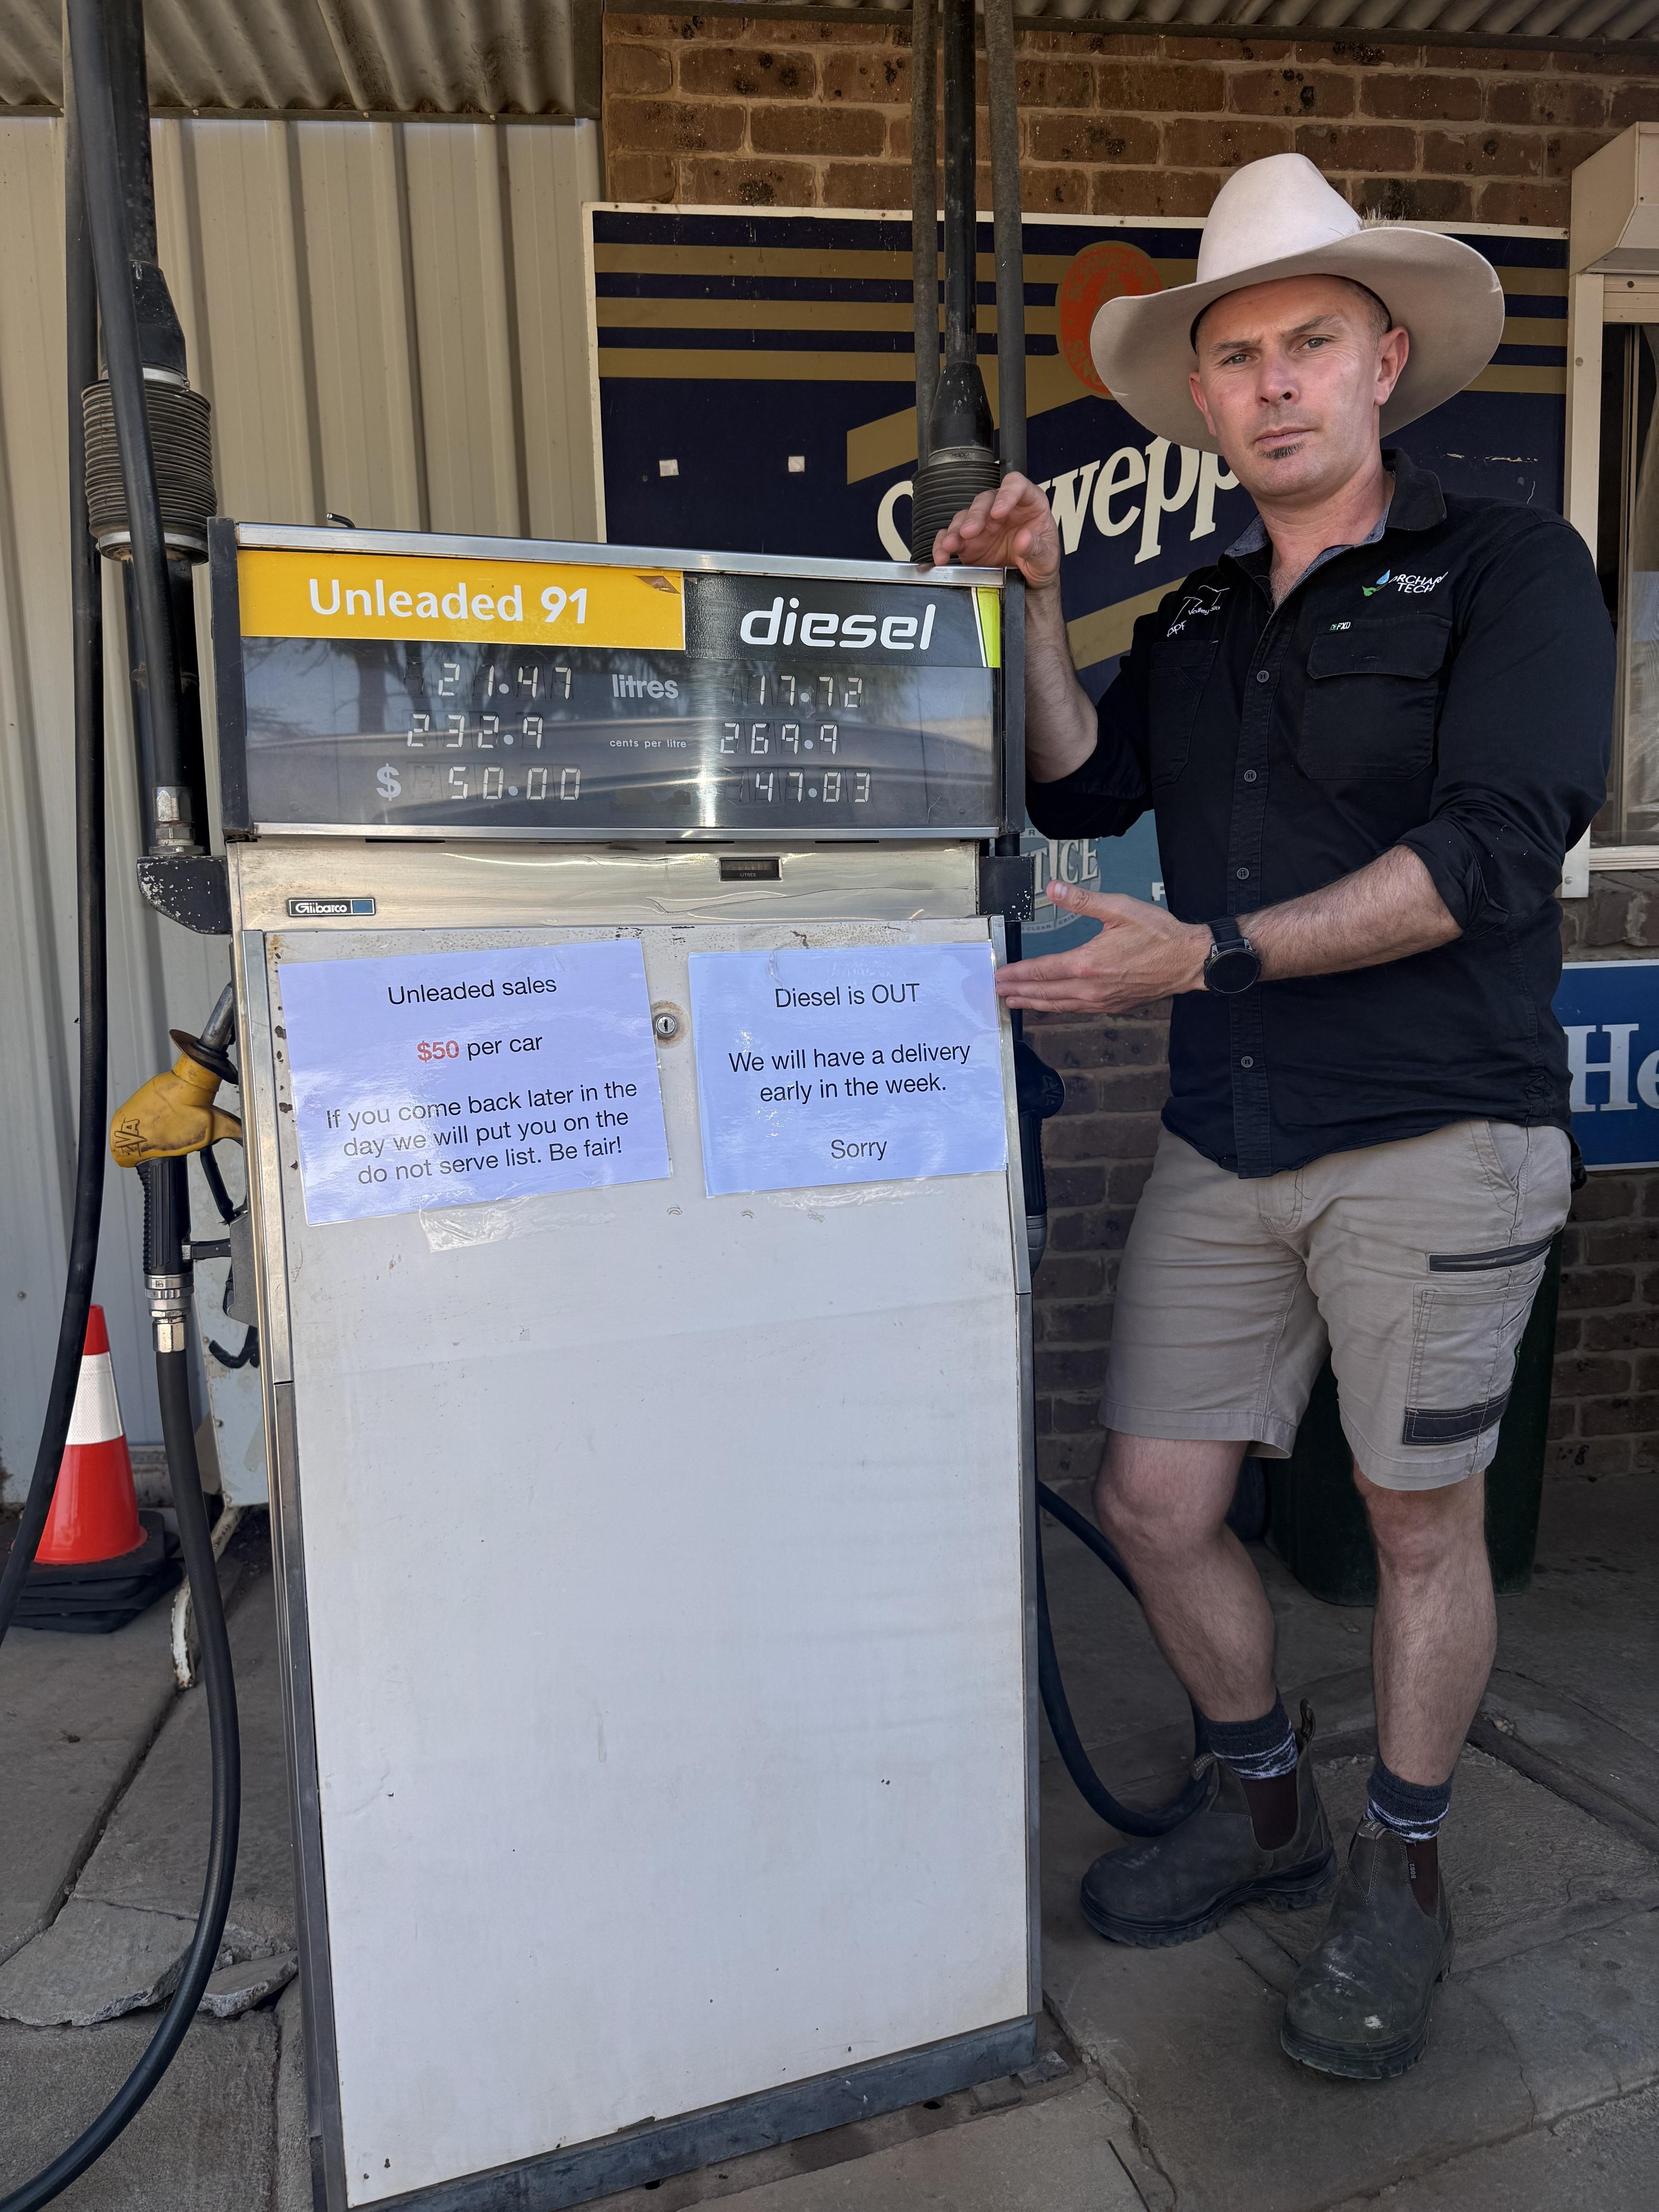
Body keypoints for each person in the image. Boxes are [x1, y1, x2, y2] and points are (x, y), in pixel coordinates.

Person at [934, 152, 1612, 2080]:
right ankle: (1265, 1808)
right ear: (1204, 399)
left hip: (1431, 1127)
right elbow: (1077, 791)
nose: (1272, 382)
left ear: (1381, 359)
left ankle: (1396, 1869)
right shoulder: (1205, 609)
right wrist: (1043, 611)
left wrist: (1203, 956)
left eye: (1308, 341)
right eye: (1234, 356)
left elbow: (1491, 853)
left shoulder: (1507, 568)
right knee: (1153, 1499)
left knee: (1413, 1521)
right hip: (1231, 1129)